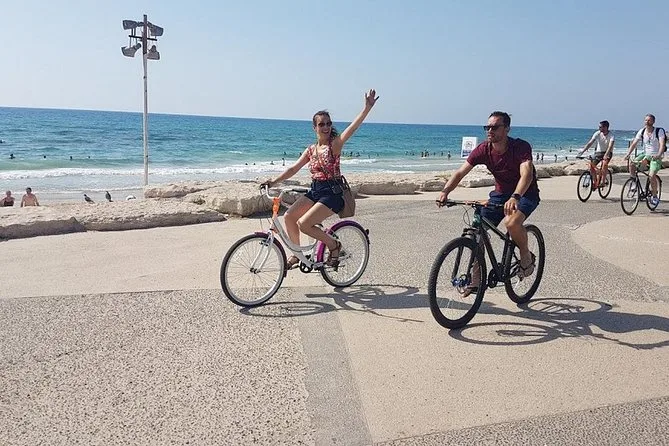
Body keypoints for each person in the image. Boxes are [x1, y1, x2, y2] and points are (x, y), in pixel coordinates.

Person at [263, 89, 379, 269]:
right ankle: (297, 254)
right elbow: (293, 169)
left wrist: (367, 108)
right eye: (321, 124)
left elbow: (353, 128)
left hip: (332, 193)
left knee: (304, 224)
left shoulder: (335, 145)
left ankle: (334, 245)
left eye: (328, 123)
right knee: (289, 217)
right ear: (314, 127)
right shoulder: (311, 150)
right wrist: (272, 182)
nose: (326, 127)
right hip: (316, 191)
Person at [437, 111, 540, 288]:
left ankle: (525, 255)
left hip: (525, 193)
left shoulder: (520, 147)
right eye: (487, 127)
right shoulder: (483, 149)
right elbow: (460, 172)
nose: (489, 131)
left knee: (511, 223)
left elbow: (527, 174)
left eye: (495, 127)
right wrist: (445, 192)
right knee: (476, 232)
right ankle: (476, 279)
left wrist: (515, 197)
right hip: (500, 194)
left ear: (507, 129)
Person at [624, 114, 666, 207]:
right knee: (632, 164)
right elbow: (634, 143)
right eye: (646, 120)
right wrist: (628, 154)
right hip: (645, 154)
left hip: (656, 156)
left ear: (653, 122)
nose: (647, 122)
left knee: (651, 175)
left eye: (649, 120)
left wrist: (658, 155)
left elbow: (662, 144)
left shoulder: (659, 131)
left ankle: (654, 196)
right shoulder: (642, 131)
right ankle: (634, 183)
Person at [577, 120, 615, 187]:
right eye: (599, 127)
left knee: (605, 164)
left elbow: (610, 146)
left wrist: (606, 154)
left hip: (608, 152)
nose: (599, 128)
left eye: (600, 127)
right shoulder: (597, 133)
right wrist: (582, 151)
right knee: (591, 166)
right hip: (598, 153)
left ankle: (603, 182)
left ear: (605, 127)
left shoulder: (611, 135)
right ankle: (595, 182)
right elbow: (590, 143)